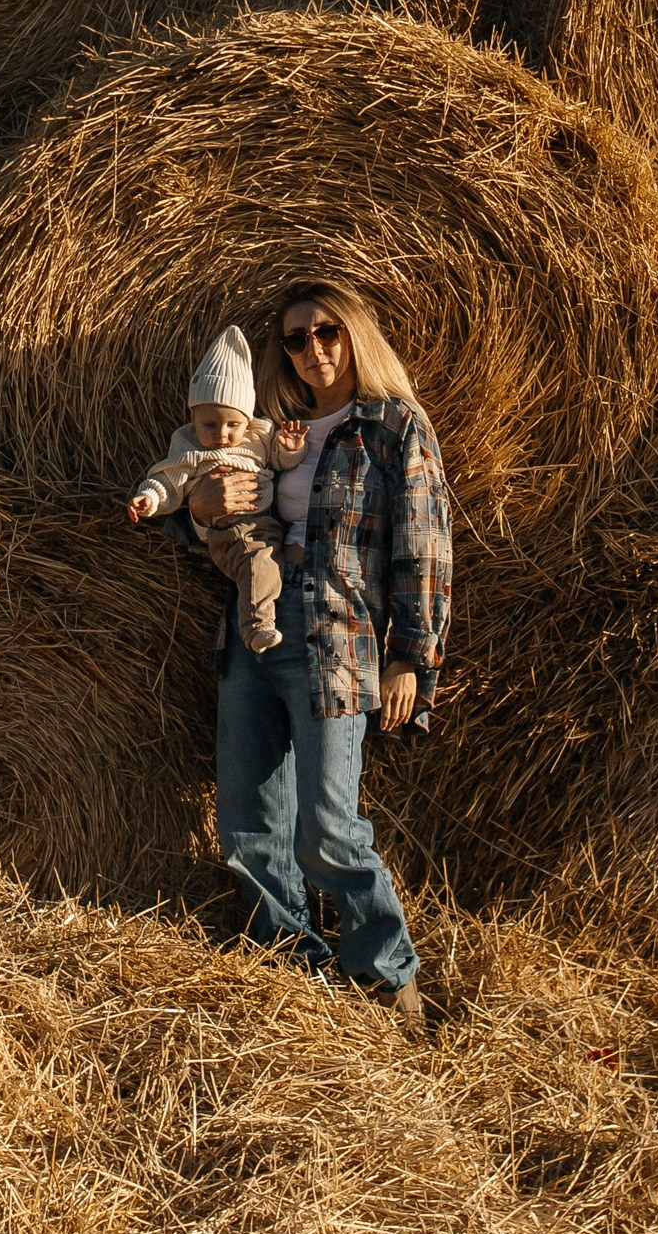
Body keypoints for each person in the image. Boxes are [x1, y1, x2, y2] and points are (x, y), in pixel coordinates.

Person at [187, 277, 450, 1038]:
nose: (312, 350)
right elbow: (211, 526)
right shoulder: (265, 429)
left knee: (328, 830)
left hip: (335, 637)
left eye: (327, 331)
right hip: (252, 630)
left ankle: (388, 975)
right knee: (247, 823)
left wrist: (411, 658)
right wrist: (201, 511)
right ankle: (290, 970)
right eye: (296, 339)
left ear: (356, 334)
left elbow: (425, 547)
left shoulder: (394, 427)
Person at [125, 320, 305, 655]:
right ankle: (257, 627)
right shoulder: (190, 449)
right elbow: (167, 481)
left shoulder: (259, 435)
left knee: (269, 561)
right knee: (258, 562)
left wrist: (291, 447)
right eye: (210, 424)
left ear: (247, 419)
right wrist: (147, 500)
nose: (222, 434)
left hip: (264, 524)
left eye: (233, 424)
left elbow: (281, 462)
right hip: (228, 531)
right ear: (193, 419)